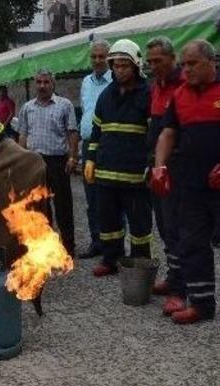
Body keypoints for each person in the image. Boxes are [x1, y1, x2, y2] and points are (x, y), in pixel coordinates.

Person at [152, 40, 220, 337]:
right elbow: (168, 133)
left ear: (212, 63)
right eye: (183, 65)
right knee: (193, 245)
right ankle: (201, 303)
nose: (185, 70)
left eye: (192, 64)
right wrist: (160, 166)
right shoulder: (179, 94)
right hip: (191, 187)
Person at [84, 39, 152, 276]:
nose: (120, 70)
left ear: (136, 66)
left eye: (125, 65)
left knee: (139, 224)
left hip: (135, 176)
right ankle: (111, 259)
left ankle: (141, 262)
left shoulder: (147, 94)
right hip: (105, 174)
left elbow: (154, 135)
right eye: (116, 65)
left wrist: (151, 164)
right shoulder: (105, 96)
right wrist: (91, 159)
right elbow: (96, 132)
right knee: (109, 223)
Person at [145, 35, 187, 314]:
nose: (153, 66)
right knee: (164, 226)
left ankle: (181, 289)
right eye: (149, 61)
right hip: (157, 167)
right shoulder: (155, 87)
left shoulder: (184, 85)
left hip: (179, 168)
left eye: (158, 61)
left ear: (173, 59)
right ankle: (173, 276)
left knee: (178, 229)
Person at [17, 68, 78, 256]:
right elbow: (23, 134)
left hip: (58, 162)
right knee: (40, 205)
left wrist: (73, 157)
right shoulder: (28, 107)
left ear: (53, 84)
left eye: (46, 82)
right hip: (36, 163)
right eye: (39, 82)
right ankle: (46, 246)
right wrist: (22, 159)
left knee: (63, 205)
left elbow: (72, 132)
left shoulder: (65, 105)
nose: (42, 86)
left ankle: (68, 246)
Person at [77, 38, 112, 259]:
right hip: (88, 144)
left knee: (110, 196)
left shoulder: (114, 81)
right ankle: (96, 241)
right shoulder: (86, 82)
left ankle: (113, 245)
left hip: (108, 144)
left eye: (102, 56)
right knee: (91, 197)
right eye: (94, 56)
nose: (97, 60)